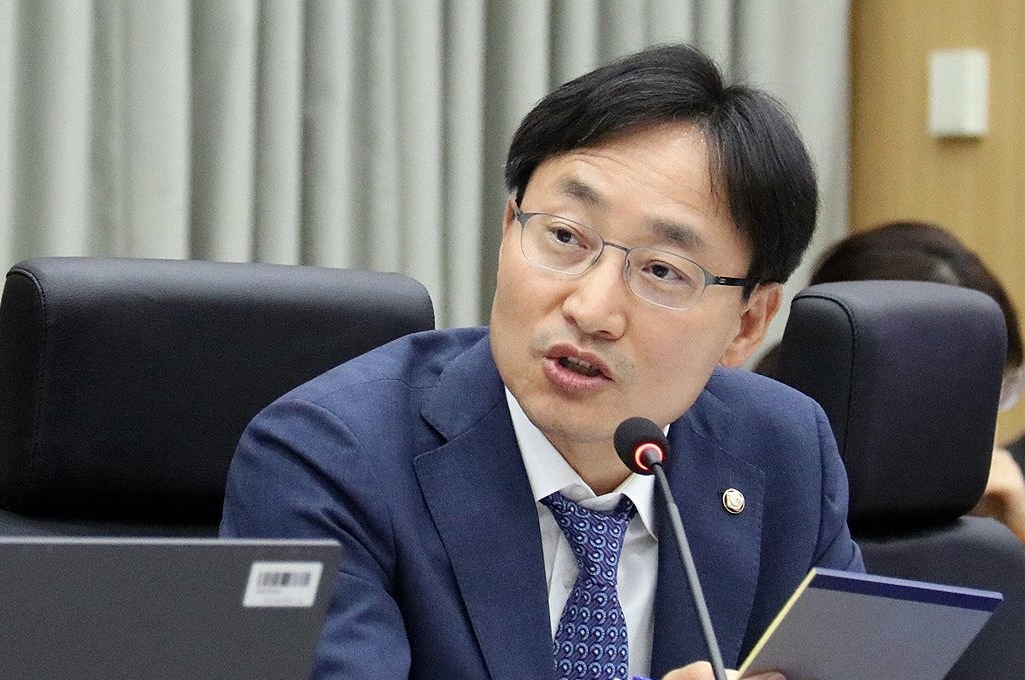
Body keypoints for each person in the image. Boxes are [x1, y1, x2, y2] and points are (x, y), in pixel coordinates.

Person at [219, 43, 862, 680]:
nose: (591, 309)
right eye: (564, 236)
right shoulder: (329, 458)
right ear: (509, 230)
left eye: (663, 271)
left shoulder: (784, 453)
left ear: (747, 324)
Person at [753, 221, 1025, 544]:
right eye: (965, 394)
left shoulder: (997, 509)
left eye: (1001, 389)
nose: (986, 426)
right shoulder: (763, 480)